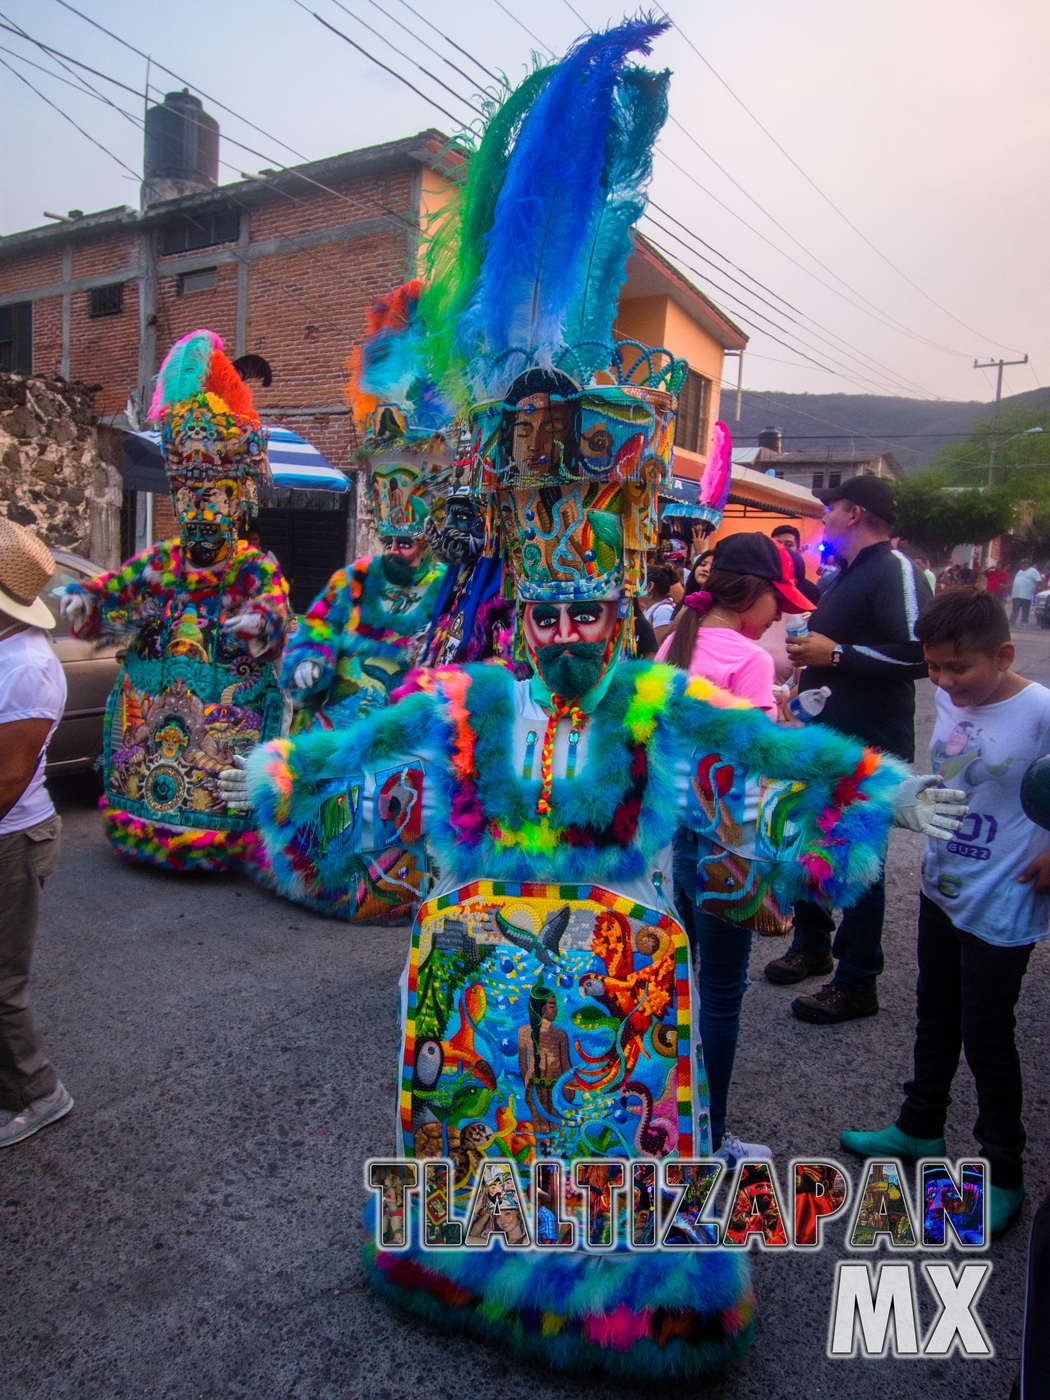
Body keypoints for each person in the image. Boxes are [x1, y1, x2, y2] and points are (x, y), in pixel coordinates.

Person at [839, 589, 1048, 1239]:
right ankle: (919, 1127)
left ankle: (1004, 1173)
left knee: (987, 1036)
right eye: (933, 668)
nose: (944, 682)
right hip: (943, 886)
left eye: (958, 669)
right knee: (935, 1013)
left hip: (1004, 897)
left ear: (1003, 654)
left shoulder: (1039, 708)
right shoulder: (953, 700)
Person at [61, 329, 289, 871]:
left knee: (216, 759)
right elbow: (122, 589)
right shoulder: (165, 560)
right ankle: (143, 821)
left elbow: (275, 607)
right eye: (189, 495)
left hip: (223, 699)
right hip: (157, 697)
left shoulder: (251, 563)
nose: (199, 508)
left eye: (210, 495)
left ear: (235, 498)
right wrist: (88, 603)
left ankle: (217, 835)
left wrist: (259, 620)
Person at [658, 532, 813, 1167]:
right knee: (721, 995)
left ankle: (668, 1125)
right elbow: (749, 770)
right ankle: (711, 1138)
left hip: (675, 843)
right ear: (751, 594)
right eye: (779, 600)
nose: (782, 616)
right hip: (726, 849)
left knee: (683, 991)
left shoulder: (675, 642)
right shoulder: (750, 662)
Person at [767, 474, 934, 1023]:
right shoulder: (844, 575)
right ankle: (813, 945)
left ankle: (858, 978)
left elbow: (921, 656)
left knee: (859, 857)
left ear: (855, 513)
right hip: (825, 736)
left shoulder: (895, 570)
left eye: (830, 509)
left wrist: (836, 655)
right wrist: (803, 678)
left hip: (870, 742)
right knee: (814, 838)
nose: (824, 520)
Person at [0, 519, 74, 1149]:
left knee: (3, 984)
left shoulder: (27, 667)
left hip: (13, 837)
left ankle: (39, 1093)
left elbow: (7, 781)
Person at [1010, 558, 1043, 626]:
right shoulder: (1020, 572)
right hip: (1016, 594)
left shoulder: (1033, 571)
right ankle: (1012, 621)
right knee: (1015, 608)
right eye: (1021, 564)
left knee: (1025, 609)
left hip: (1026, 594)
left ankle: (1024, 621)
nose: (1022, 565)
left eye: (1024, 564)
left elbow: (1038, 581)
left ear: (1028, 564)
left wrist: (1036, 590)